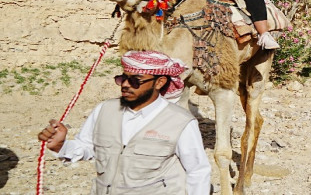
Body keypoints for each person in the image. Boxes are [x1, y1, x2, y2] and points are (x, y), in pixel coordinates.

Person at [37, 51, 211, 194]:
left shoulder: (180, 121)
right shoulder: (104, 110)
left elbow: (197, 171)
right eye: (123, 78)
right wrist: (61, 146)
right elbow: (87, 147)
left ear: (159, 82)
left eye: (135, 80)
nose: (125, 85)